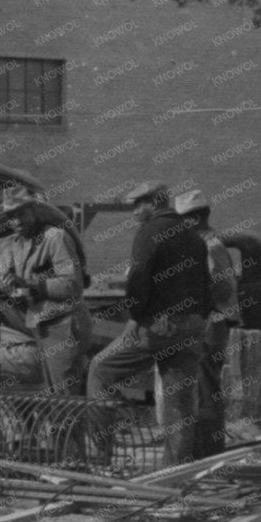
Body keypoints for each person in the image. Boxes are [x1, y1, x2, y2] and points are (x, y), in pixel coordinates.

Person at [86, 181, 212, 464]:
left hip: (159, 326)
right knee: (178, 400)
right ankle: (174, 471)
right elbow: (207, 286)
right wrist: (198, 320)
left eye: (138, 204)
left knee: (101, 370)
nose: (133, 212)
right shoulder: (194, 237)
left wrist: (136, 316)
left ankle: (99, 456)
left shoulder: (150, 231)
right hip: (191, 326)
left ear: (155, 202)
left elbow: (139, 276)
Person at [0, 188, 90, 395]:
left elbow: (72, 285)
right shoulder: (14, 243)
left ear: (34, 211)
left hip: (63, 323)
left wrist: (29, 284)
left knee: (64, 397)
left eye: (21, 214)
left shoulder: (55, 237)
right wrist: (2, 284)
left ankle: (79, 427)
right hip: (35, 319)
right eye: (11, 217)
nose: (15, 221)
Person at [174, 189, 240, 459]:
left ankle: (208, 451)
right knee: (202, 385)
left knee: (204, 386)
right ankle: (205, 448)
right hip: (210, 319)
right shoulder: (201, 242)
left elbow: (222, 286)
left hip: (211, 321)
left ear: (196, 218)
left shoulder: (209, 245)